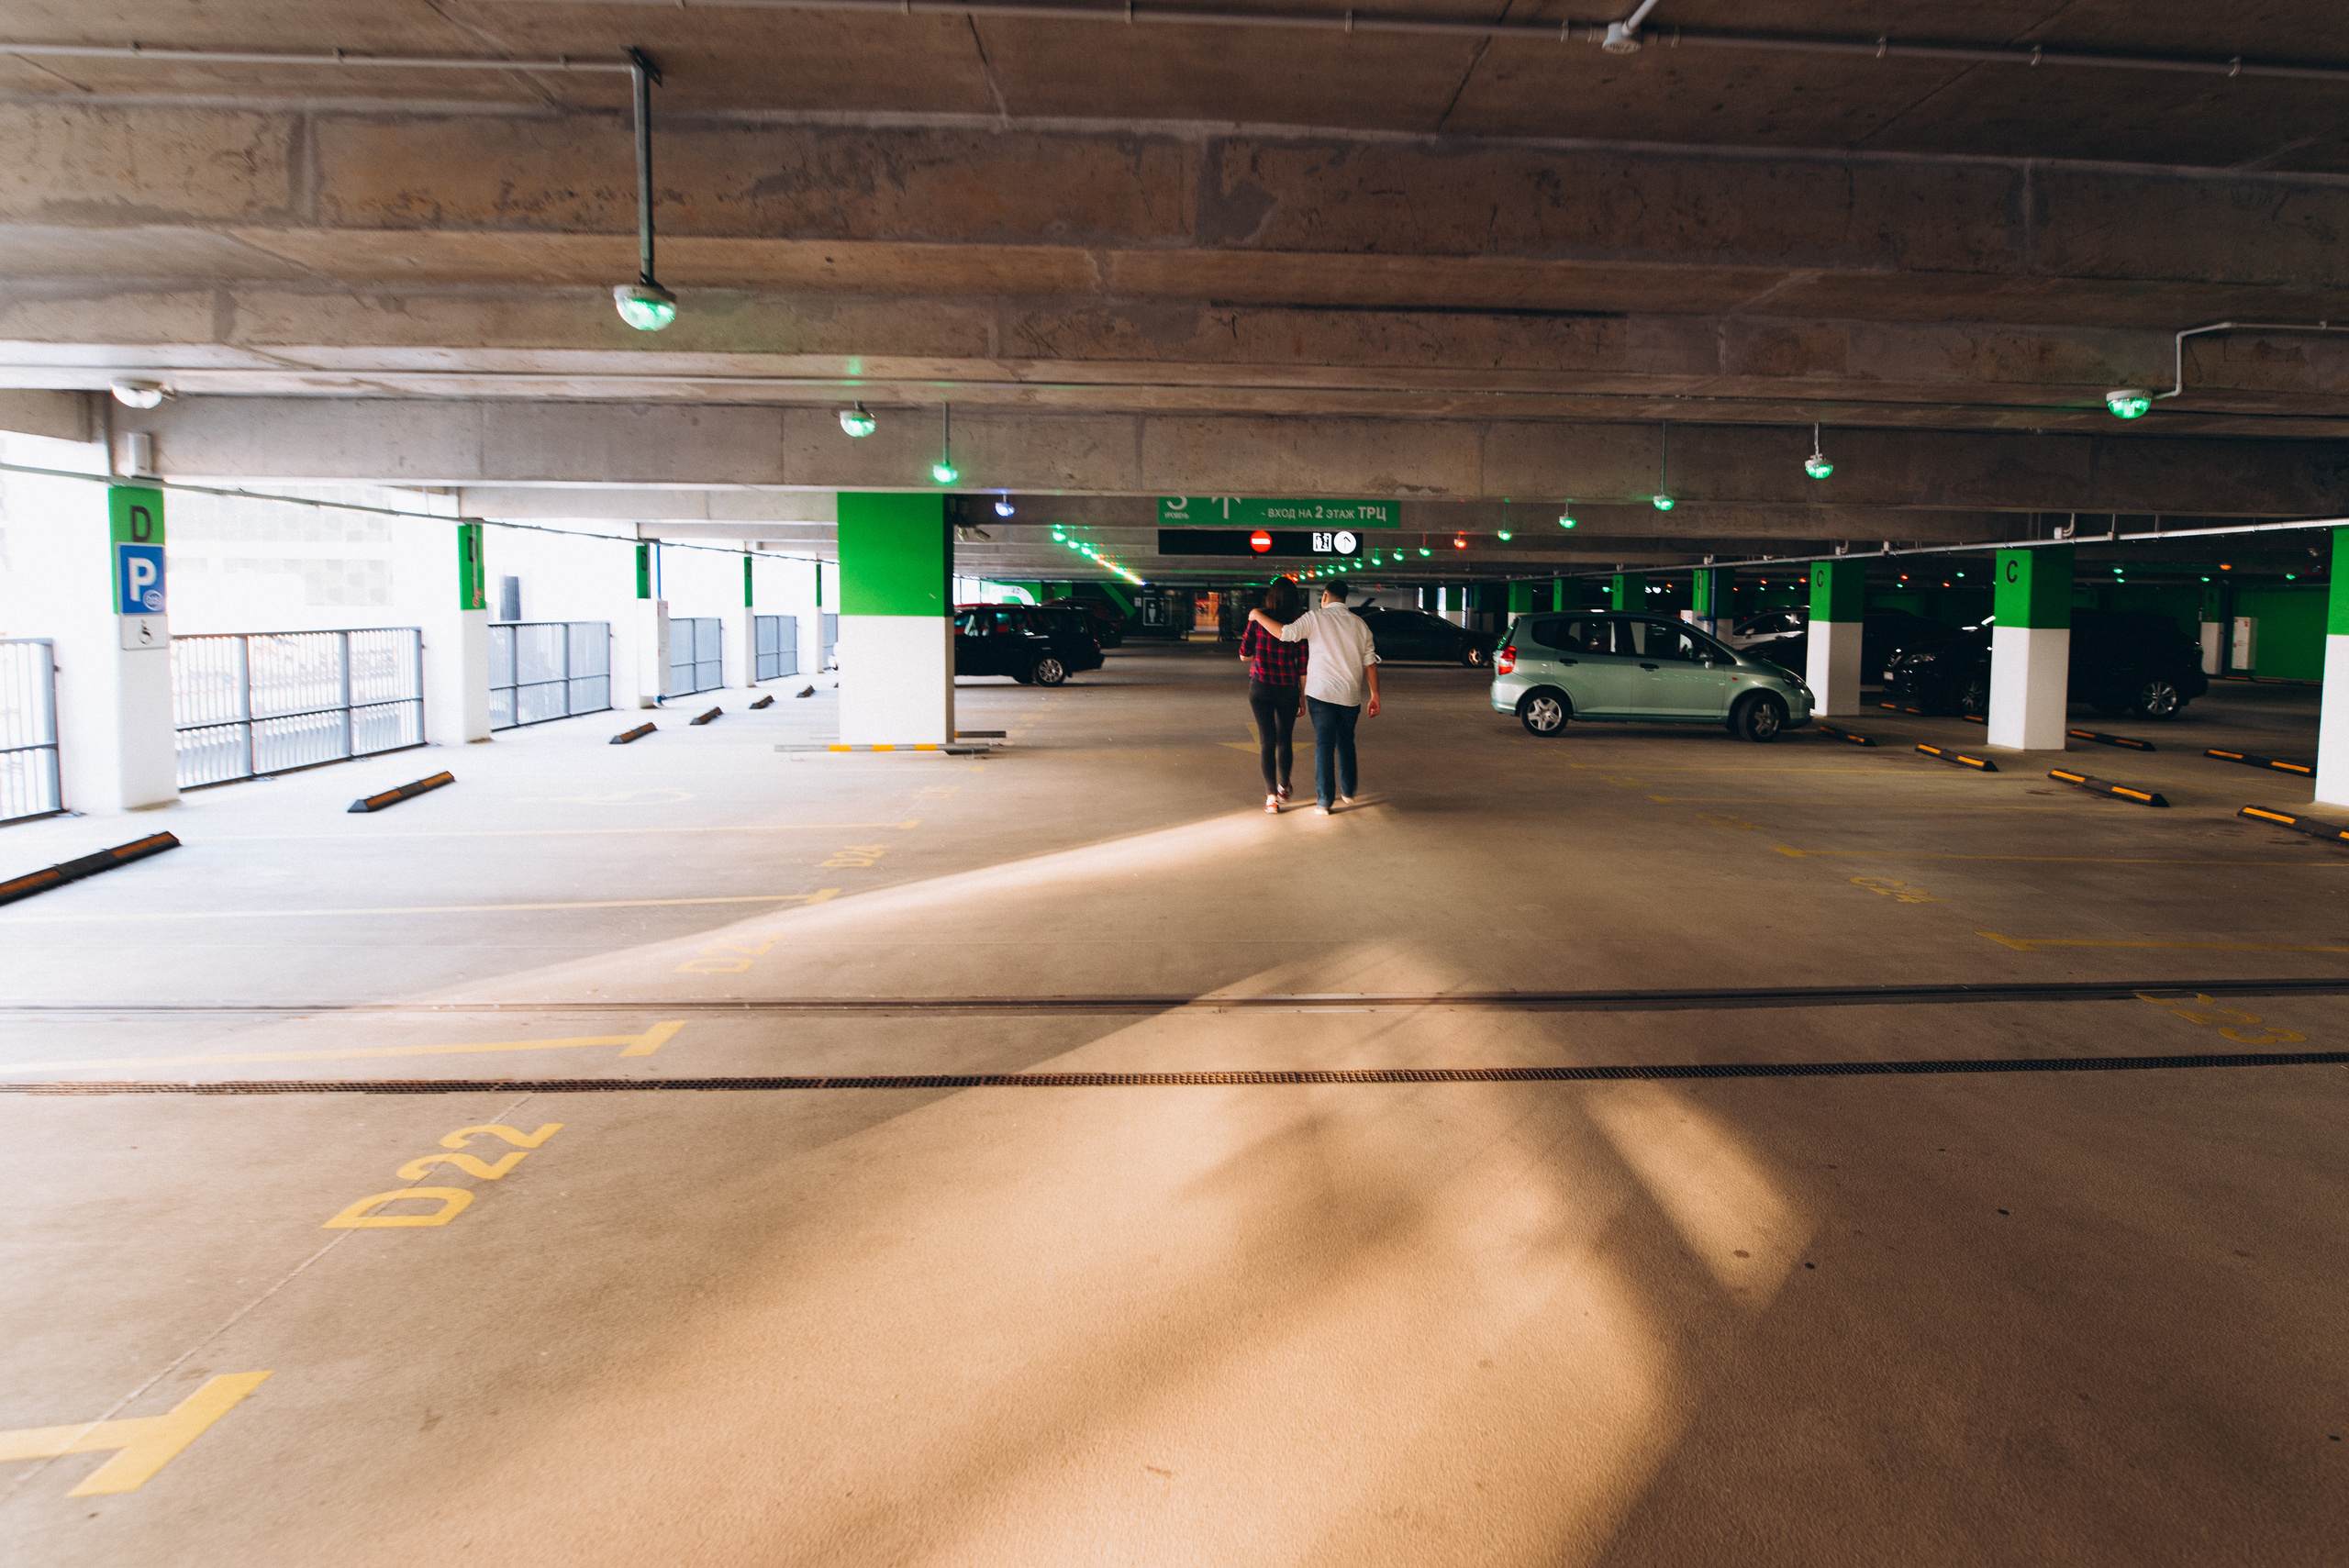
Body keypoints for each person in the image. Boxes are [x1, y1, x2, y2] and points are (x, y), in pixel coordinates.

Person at [1248, 578, 1380, 815]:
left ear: (1325, 597)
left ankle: (1324, 802)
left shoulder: (1315, 618)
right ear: (1345, 599)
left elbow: (1285, 634)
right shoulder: (1360, 625)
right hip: (1349, 695)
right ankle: (1348, 792)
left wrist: (1258, 615)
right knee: (1346, 742)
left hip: (1320, 694)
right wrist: (1375, 695)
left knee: (1324, 745)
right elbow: (1369, 662)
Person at [1238, 578, 1308, 812]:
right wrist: (1303, 695)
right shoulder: (1299, 623)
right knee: (1285, 739)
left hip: (1261, 687)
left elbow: (1243, 655)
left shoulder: (1259, 620)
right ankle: (1283, 785)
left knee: (1267, 741)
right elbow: (1302, 664)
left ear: (1271, 596)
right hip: (1287, 687)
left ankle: (1271, 798)